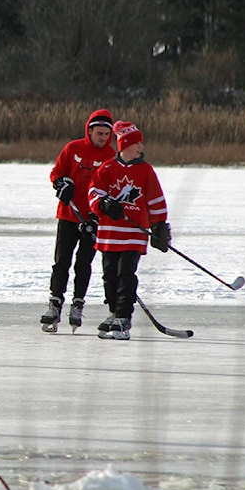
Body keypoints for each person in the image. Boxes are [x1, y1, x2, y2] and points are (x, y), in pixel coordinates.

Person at [87, 120, 170, 340]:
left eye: (141, 144)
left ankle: (124, 317)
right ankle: (114, 312)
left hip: (134, 234)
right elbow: (94, 192)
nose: (141, 148)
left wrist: (160, 225)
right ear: (124, 145)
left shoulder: (146, 171)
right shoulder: (107, 168)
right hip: (109, 234)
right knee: (109, 276)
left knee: (126, 275)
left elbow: (155, 199)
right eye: (137, 144)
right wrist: (103, 204)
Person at [40, 109, 115, 332]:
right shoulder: (73, 148)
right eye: (99, 133)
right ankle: (54, 304)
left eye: (106, 134)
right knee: (62, 261)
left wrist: (96, 215)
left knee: (84, 263)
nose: (102, 138)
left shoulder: (111, 157)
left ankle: (78, 304)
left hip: (93, 220)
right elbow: (56, 172)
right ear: (89, 131)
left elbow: (111, 189)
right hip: (68, 215)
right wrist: (61, 184)